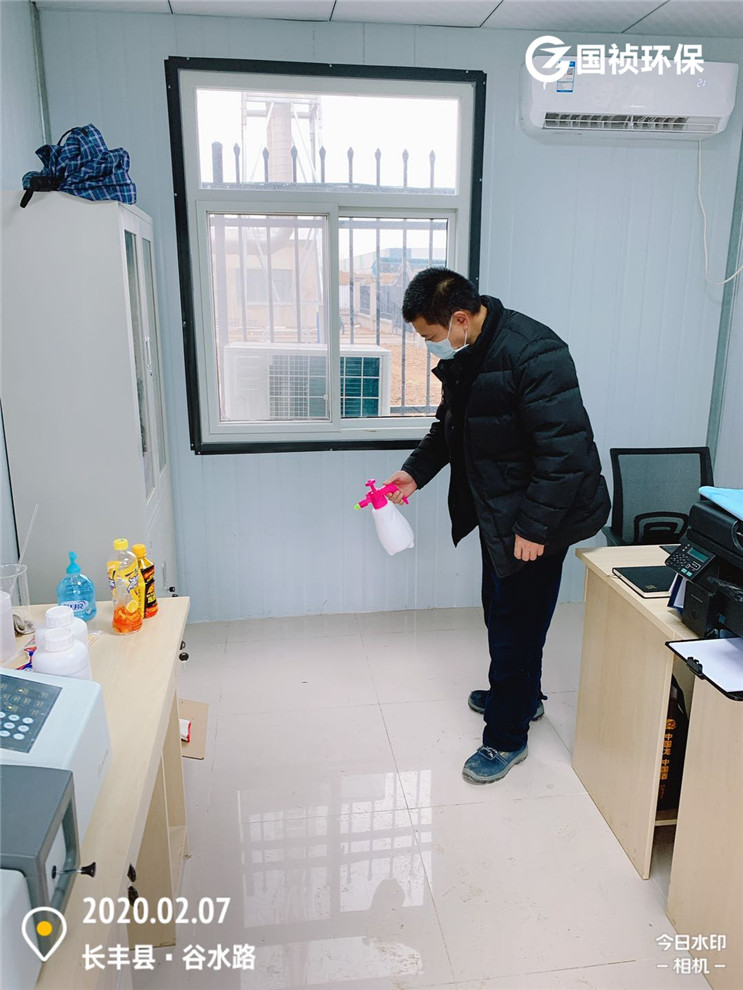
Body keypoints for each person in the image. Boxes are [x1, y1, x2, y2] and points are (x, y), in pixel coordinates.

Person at [385, 268, 610, 785]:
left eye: (431, 335)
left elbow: (564, 453)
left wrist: (534, 528)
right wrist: (414, 473)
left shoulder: (536, 353)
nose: (430, 345)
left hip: (540, 514)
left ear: (460, 318)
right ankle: (521, 695)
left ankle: (506, 736)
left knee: (516, 624)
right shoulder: (472, 354)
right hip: (501, 509)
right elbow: (449, 428)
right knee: (501, 609)